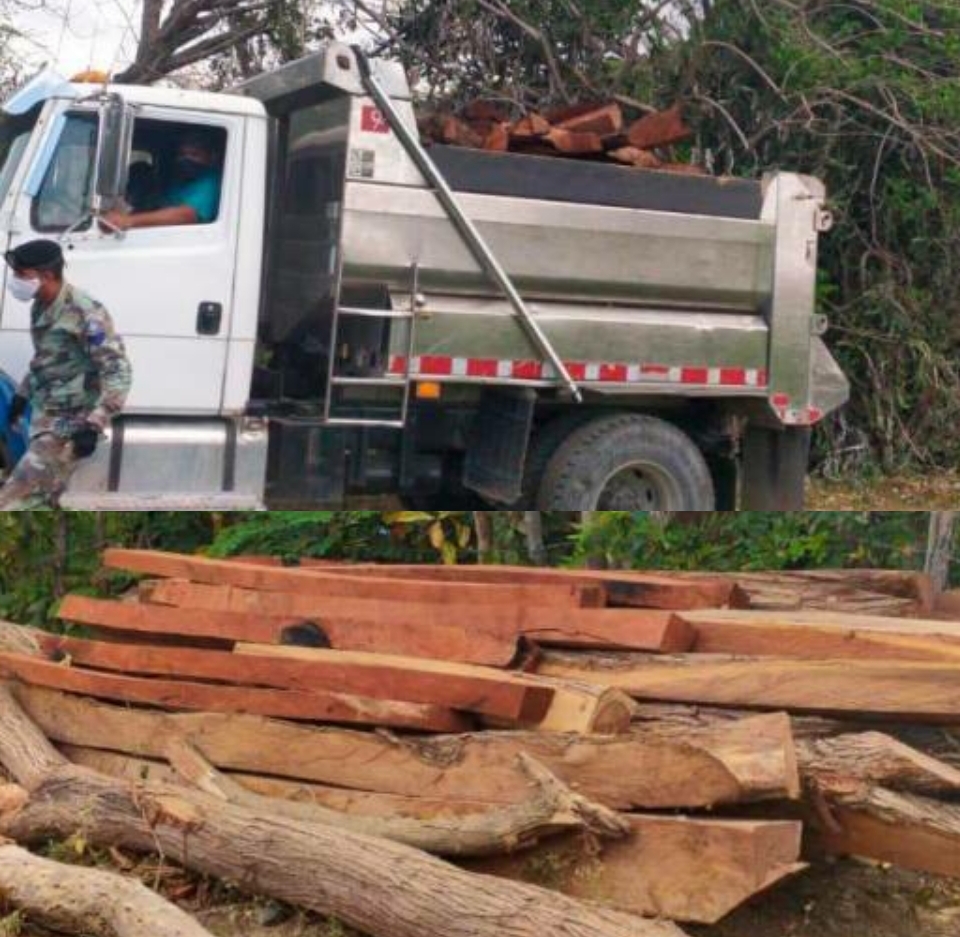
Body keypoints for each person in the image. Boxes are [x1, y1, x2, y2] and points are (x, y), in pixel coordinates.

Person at [0, 239, 132, 509]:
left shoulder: (85, 313)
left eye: (21, 274)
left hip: (71, 424)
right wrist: (22, 395)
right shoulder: (42, 305)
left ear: (46, 275)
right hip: (46, 416)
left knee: (13, 501)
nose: (15, 281)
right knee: (41, 500)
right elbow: (47, 358)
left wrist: (93, 425)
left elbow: (118, 371)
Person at [102, 130, 223, 230]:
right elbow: (157, 205)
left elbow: (186, 215)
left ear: (211, 156)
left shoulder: (211, 181)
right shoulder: (179, 180)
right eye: (182, 154)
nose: (186, 159)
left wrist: (129, 220)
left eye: (194, 154)